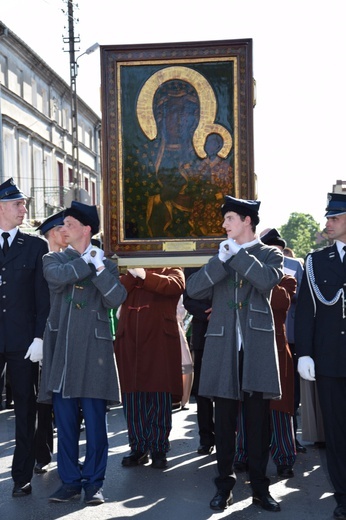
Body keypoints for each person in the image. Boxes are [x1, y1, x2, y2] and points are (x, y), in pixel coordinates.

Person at [186, 195, 283, 513]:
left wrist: (237, 257)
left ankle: (259, 489)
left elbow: (267, 280)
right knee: (224, 423)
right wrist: (221, 261)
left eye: (229, 218)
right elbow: (194, 289)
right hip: (222, 346)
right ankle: (223, 488)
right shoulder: (221, 254)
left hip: (255, 349)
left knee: (257, 424)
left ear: (246, 221)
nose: (224, 224)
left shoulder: (269, 253)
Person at [38, 200, 127, 505]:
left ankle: (95, 482)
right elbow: (58, 279)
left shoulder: (108, 263)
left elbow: (116, 298)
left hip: (94, 350)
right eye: (63, 225)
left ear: (87, 228)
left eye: (70, 224)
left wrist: (100, 266)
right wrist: (88, 261)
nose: (64, 229)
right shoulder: (53, 259)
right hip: (62, 351)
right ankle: (70, 481)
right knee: (64, 423)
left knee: (96, 422)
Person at [295, 192, 346, 520]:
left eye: (335, 218)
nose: (327, 223)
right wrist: (305, 353)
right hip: (330, 361)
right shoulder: (316, 261)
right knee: (337, 433)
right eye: (328, 217)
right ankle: (343, 496)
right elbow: (305, 313)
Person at [0, 177, 50, 497]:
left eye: (24, 203)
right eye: (18, 203)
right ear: (1, 208)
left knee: (25, 409)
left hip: (22, 342)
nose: (24, 208)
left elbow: (42, 299)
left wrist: (39, 338)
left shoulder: (34, 246)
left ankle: (21, 475)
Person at [234, 228, 297, 478]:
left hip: (277, 350)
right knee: (246, 405)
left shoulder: (287, 278)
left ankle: (284, 458)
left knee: (280, 410)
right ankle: (243, 454)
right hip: (249, 347)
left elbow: (280, 302)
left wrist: (260, 280)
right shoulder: (246, 273)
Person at [114, 267, 185, 469]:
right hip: (130, 340)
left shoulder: (172, 268)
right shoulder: (124, 270)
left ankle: (158, 448)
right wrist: (132, 274)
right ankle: (138, 446)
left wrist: (145, 276)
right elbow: (116, 290)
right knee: (132, 397)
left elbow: (175, 286)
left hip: (158, 340)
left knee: (158, 395)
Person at [33, 211, 68, 474]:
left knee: (65, 394)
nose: (68, 231)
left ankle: (65, 453)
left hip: (63, 332)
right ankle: (42, 453)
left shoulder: (69, 258)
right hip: (43, 333)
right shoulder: (41, 259)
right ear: (52, 233)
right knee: (42, 398)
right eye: (63, 227)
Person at [183, 267, 215, 455]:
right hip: (203, 333)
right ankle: (206, 438)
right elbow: (188, 299)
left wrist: (221, 309)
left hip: (228, 332)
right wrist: (208, 312)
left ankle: (228, 435)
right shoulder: (193, 263)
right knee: (203, 392)